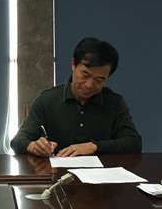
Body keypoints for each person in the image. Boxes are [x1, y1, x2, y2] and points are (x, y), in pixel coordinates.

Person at [11, 37, 142, 157]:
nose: (89, 85)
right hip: (57, 172)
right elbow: (17, 141)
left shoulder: (114, 102)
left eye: (99, 80)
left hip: (101, 173)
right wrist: (33, 146)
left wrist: (95, 146)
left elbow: (134, 143)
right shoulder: (47, 100)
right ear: (73, 64)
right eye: (85, 75)